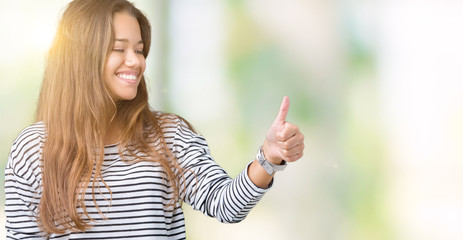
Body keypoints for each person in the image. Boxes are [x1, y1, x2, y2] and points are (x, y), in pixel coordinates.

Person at [3, 0, 305, 239]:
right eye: (119, 49)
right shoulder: (34, 149)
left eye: (139, 49)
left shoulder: (167, 135)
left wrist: (268, 157)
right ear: (82, 57)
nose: (136, 61)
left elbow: (225, 204)